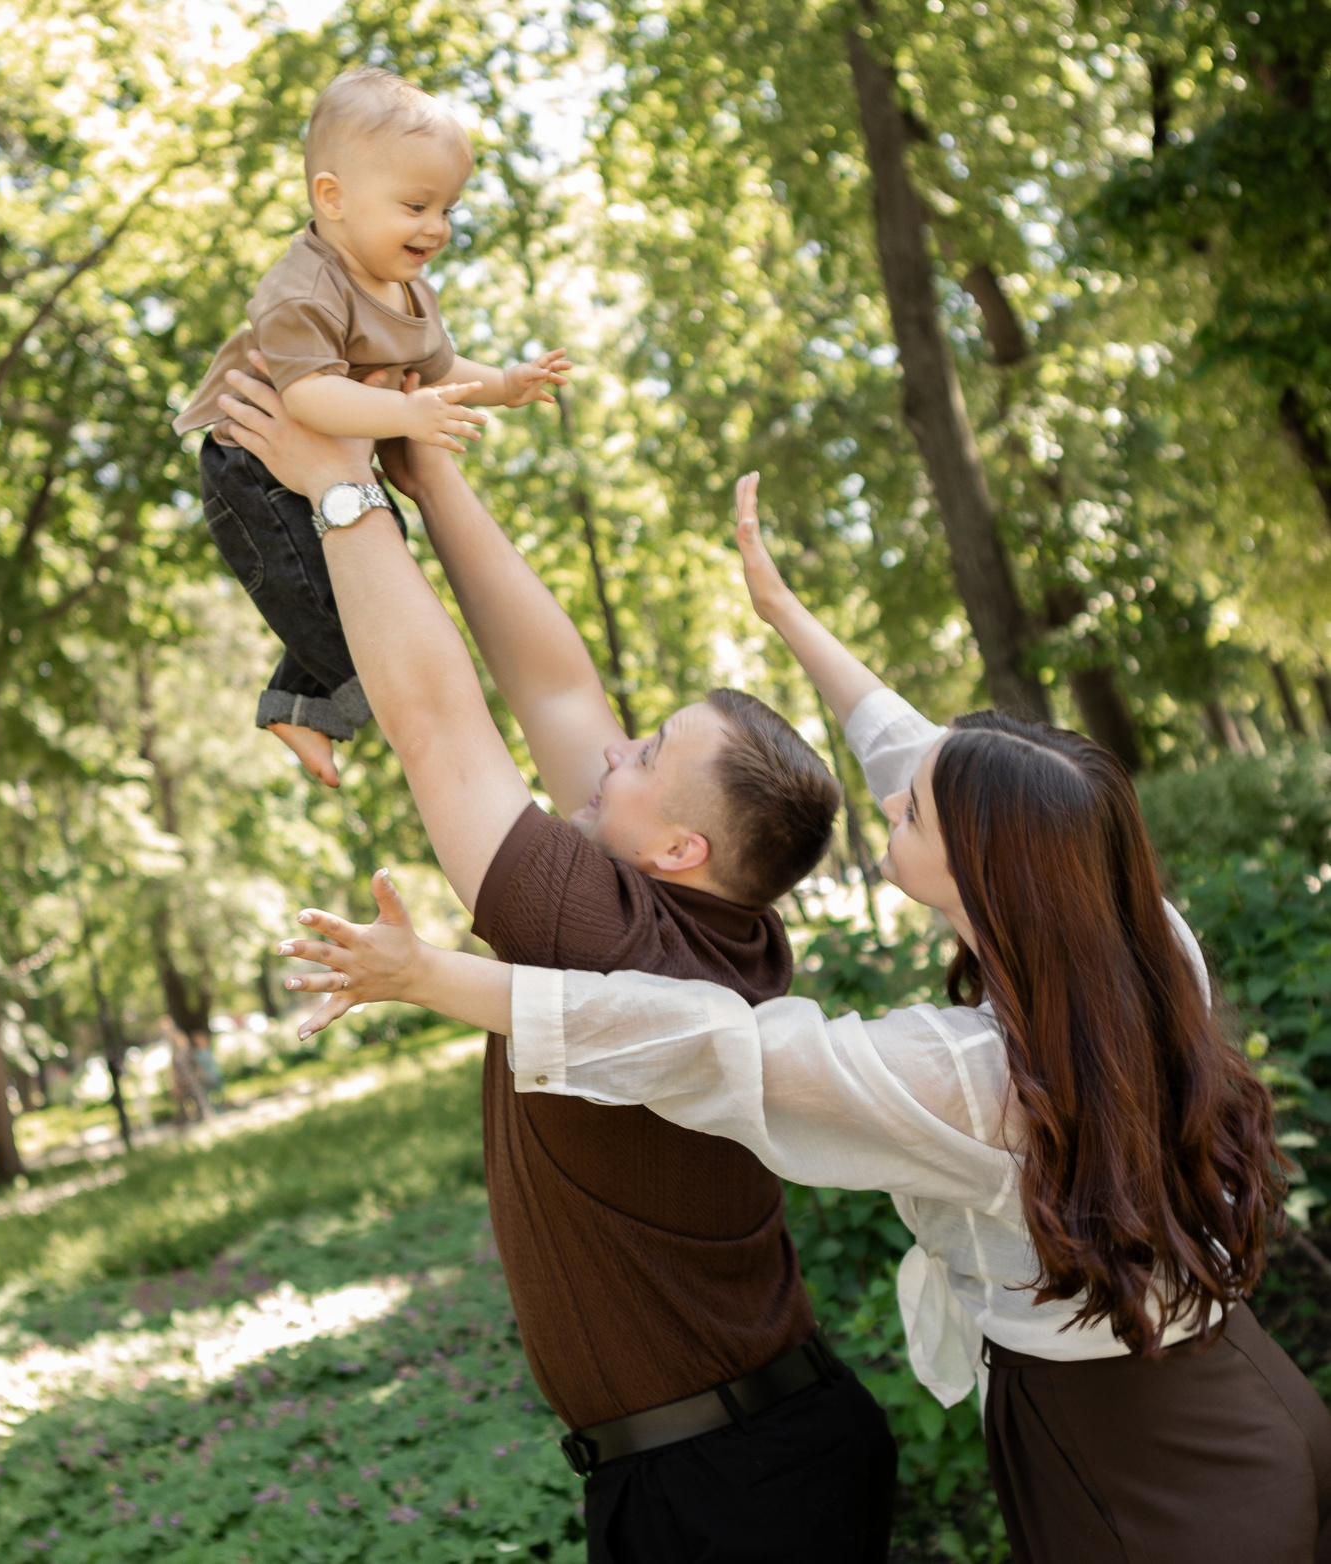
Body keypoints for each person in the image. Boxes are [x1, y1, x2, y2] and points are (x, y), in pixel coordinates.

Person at [279, 474, 1331, 1564]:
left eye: (912, 810)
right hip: (1245, 1403)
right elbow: (944, 763)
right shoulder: (1140, 941)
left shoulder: (969, 1077)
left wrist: (430, 976)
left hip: (1144, 1476)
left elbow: (705, 1049)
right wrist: (784, 613)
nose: (890, 793)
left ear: (986, 873)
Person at [216, 384, 898, 1561]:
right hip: (755, 1455)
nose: (614, 750)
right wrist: (432, 474)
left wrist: (340, 492)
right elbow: (557, 688)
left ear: (678, 848)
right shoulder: (720, 922)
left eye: (645, 755)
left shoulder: (607, 934)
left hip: (725, 1495)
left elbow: (439, 727)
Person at [174, 65, 568, 787]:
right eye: (416, 205)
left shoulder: (406, 286)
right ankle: (382, 706)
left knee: (377, 565)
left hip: (332, 463)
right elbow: (309, 397)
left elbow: (436, 365)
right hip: (254, 468)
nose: (437, 227)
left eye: (447, 208)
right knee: (333, 597)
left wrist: (505, 385)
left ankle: (299, 704)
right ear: (333, 198)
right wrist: (404, 413)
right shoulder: (305, 287)